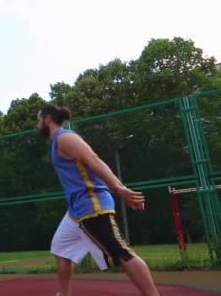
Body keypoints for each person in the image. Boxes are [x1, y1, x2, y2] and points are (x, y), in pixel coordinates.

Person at [37, 104, 159, 296]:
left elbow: (93, 160)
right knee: (62, 252)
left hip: (91, 204)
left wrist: (119, 188)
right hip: (75, 210)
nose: (38, 125)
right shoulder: (57, 142)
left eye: (39, 120)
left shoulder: (65, 137)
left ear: (48, 119)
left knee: (121, 252)